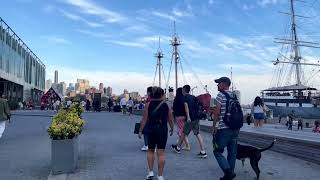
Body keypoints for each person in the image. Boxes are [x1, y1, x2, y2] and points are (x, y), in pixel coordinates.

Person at [138, 87, 174, 180]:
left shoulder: (148, 104)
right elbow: (170, 119)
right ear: (162, 95)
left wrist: (140, 131)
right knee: (161, 153)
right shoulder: (167, 105)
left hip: (151, 129)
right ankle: (160, 176)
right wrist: (172, 128)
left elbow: (144, 119)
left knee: (150, 151)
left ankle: (150, 172)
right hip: (162, 129)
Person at [212, 77, 239, 180]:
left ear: (224, 84)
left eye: (218, 83)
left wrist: (214, 126)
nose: (217, 85)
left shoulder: (220, 95)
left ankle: (228, 172)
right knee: (232, 153)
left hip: (224, 129)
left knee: (217, 151)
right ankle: (230, 174)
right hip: (235, 128)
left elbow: (217, 112)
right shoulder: (234, 95)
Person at [171, 85, 207, 158]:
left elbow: (186, 107)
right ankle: (203, 151)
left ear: (184, 90)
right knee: (197, 134)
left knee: (183, 133)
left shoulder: (185, 98)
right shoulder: (194, 97)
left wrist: (188, 117)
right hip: (196, 118)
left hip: (190, 119)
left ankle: (178, 148)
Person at [141, 87, 153, 151]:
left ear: (148, 92)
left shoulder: (149, 99)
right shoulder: (156, 98)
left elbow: (146, 109)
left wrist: (143, 118)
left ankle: (146, 145)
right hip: (155, 118)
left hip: (148, 117)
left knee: (146, 131)